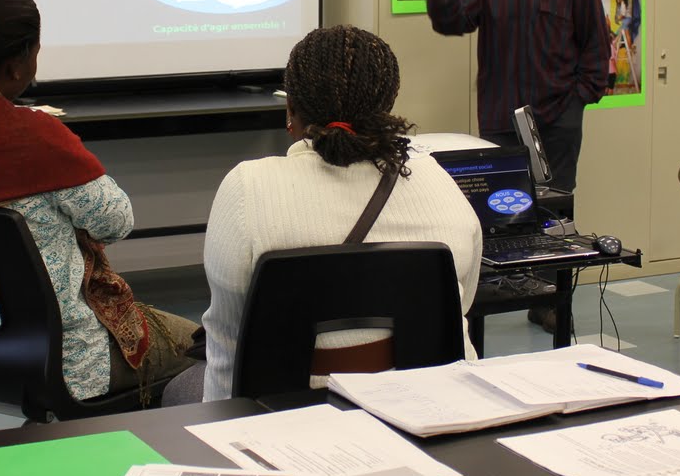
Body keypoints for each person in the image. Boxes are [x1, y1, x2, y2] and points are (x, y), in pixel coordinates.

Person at [0, 0, 196, 403]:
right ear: (17, 67)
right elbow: (117, 221)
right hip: (66, 359)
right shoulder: (35, 138)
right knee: (208, 346)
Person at [170, 25, 482, 403]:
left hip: (277, 416)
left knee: (176, 389)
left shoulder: (246, 189)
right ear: (387, 105)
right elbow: (458, 306)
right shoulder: (439, 184)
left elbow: (228, 335)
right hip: (428, 409)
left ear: (290, 109)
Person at [425, 0, 608, 194]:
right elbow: (452, 21)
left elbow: (596, 44)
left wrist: (576, 103)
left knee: (555, 209)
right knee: (502, 208)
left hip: (557, 124)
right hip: (501, 123)